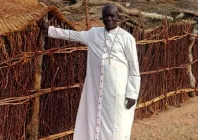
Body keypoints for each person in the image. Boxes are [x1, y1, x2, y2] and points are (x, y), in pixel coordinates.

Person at [42, 4, 141, 140]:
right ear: (102, 17)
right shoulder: (94, 34)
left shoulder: (127, 39)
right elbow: (72, 35)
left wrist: (132, 94)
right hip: (96, 91)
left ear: (118, 17)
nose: (108, 19)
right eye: (105, 16)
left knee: (116, 126)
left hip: (117, 93)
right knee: (95, 122)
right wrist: (50, 30)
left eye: (112, 16)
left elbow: (134, 70)